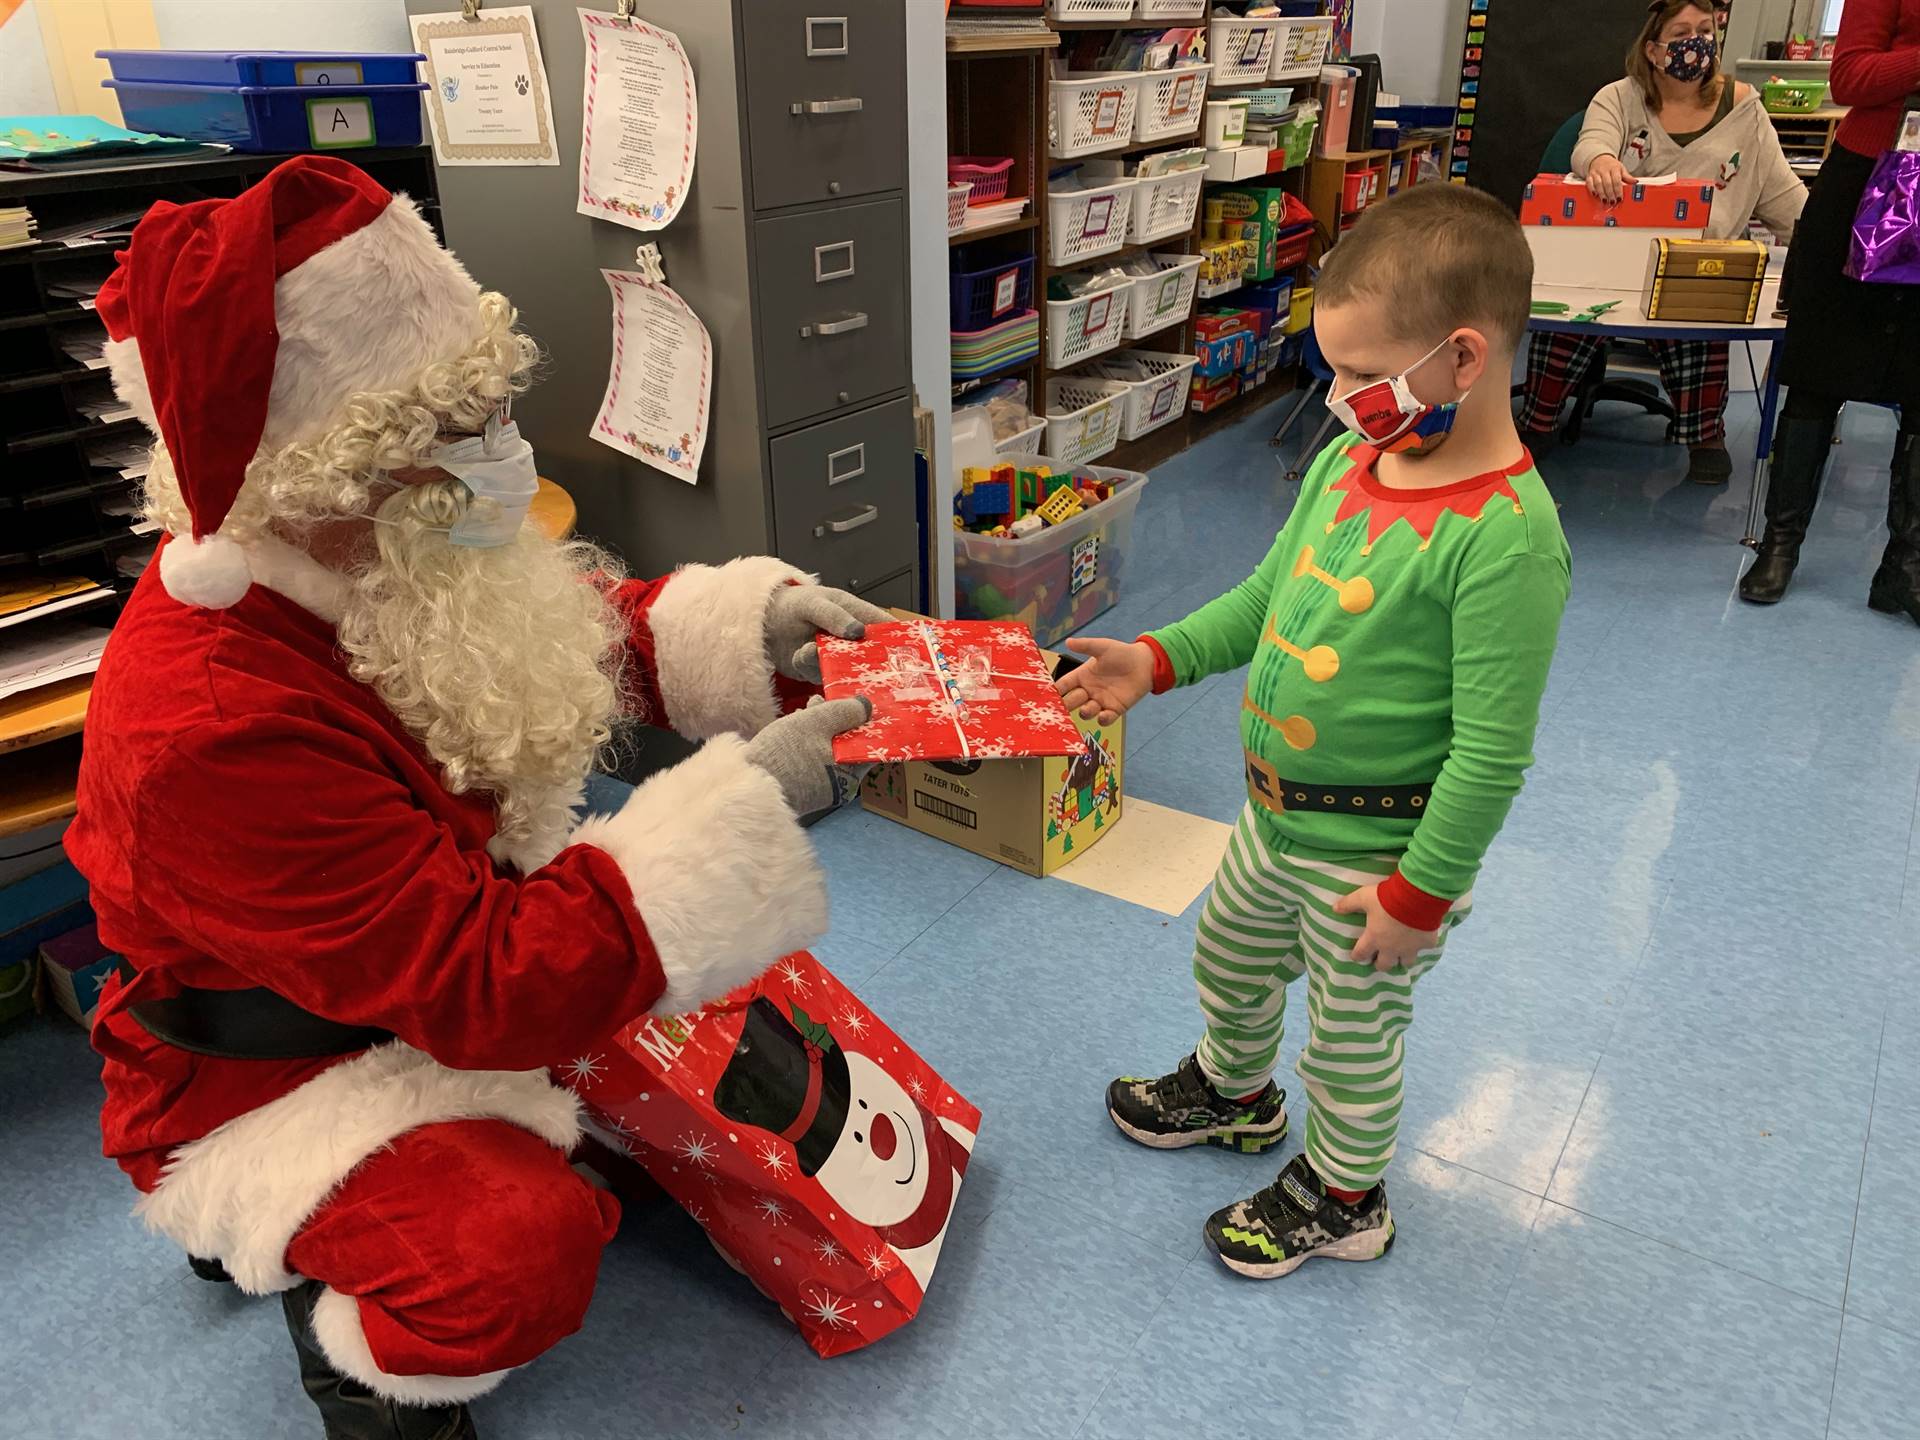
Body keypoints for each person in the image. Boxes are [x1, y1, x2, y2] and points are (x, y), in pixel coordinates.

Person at [63, 156, 884, 1438]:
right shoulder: (210, 728)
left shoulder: (371, 558)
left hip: (432, 952)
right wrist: (747, 808)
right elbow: (478, 984)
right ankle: (356, 1353)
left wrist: (750, 627)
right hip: (281, 1068)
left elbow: (530, 637)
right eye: (452, 435)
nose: (504, 457)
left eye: (491, 413)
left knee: (733, 1034)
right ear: (323, 478)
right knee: (515, 1246)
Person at [1060, 185, 1569, 1279]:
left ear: (1464, 358)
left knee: (1349, 1042)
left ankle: (1346, 1198)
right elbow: (1262, 598)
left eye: (1362, 374)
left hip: (1377, 861)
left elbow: (1491, 755)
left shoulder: (1507, 538)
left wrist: (1417, 896)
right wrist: (1154, 661)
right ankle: (1234, 1094)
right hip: (1271, 821)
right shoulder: (1351, 465)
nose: (1339, 399)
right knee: (1230, 959)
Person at [1517, 0, 1807, 485]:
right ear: (1653, 49)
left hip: (1694, 267)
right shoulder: (1619, 97)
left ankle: (1704, 435)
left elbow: (1784, 198)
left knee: (1700, 316)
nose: (1697, 41)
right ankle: (1538, 421)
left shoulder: (1747, 112)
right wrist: (1601, 162)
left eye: (1705, 29)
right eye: (1681, 32)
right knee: (1568, 315)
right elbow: (1590, 143)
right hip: (1611, 262)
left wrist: (1838, 240)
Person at [1740, 0, 1920, 620]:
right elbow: (1852, 79)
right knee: (1818, 375)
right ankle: (1780, 546)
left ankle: (1906, 569)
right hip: (1866, 186)